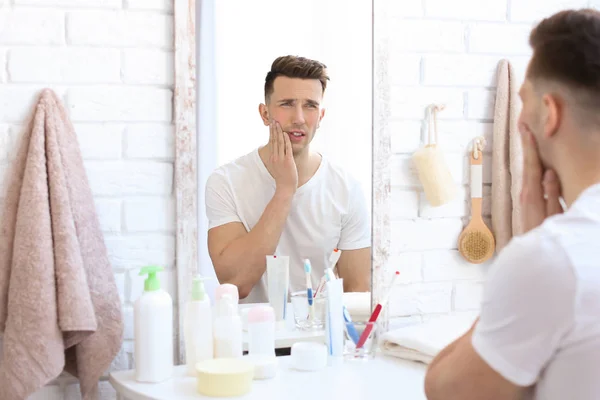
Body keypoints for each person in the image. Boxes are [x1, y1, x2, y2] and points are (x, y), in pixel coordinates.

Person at [424, 9, 600, 400]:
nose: (521, 119)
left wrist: (532, 244)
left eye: (524, 100)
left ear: (550, 113)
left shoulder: (553, 258)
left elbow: (444, 390)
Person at [205, 55, 371, 302]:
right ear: (264, 113)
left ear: (321, 116)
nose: (299, 118)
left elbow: (358, 293)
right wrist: (284, 190)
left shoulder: (346, 188)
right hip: (252, 337)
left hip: (319, 336)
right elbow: (236, 283)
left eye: (310, 106)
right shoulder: (225, 182)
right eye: (287, 104)